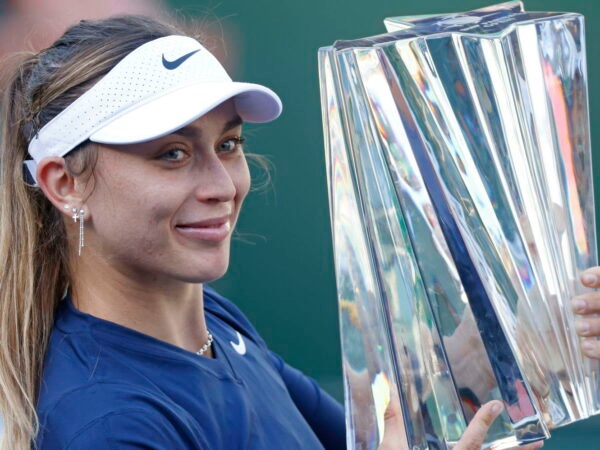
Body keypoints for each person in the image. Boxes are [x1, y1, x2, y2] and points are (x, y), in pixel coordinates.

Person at [0, 14, 544, 450]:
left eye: (229, 145)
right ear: (64, 183)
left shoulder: (211, 322)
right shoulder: (107, 423)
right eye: (172, 153)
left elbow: (385, 426)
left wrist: (537, 332)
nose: (223, 185)